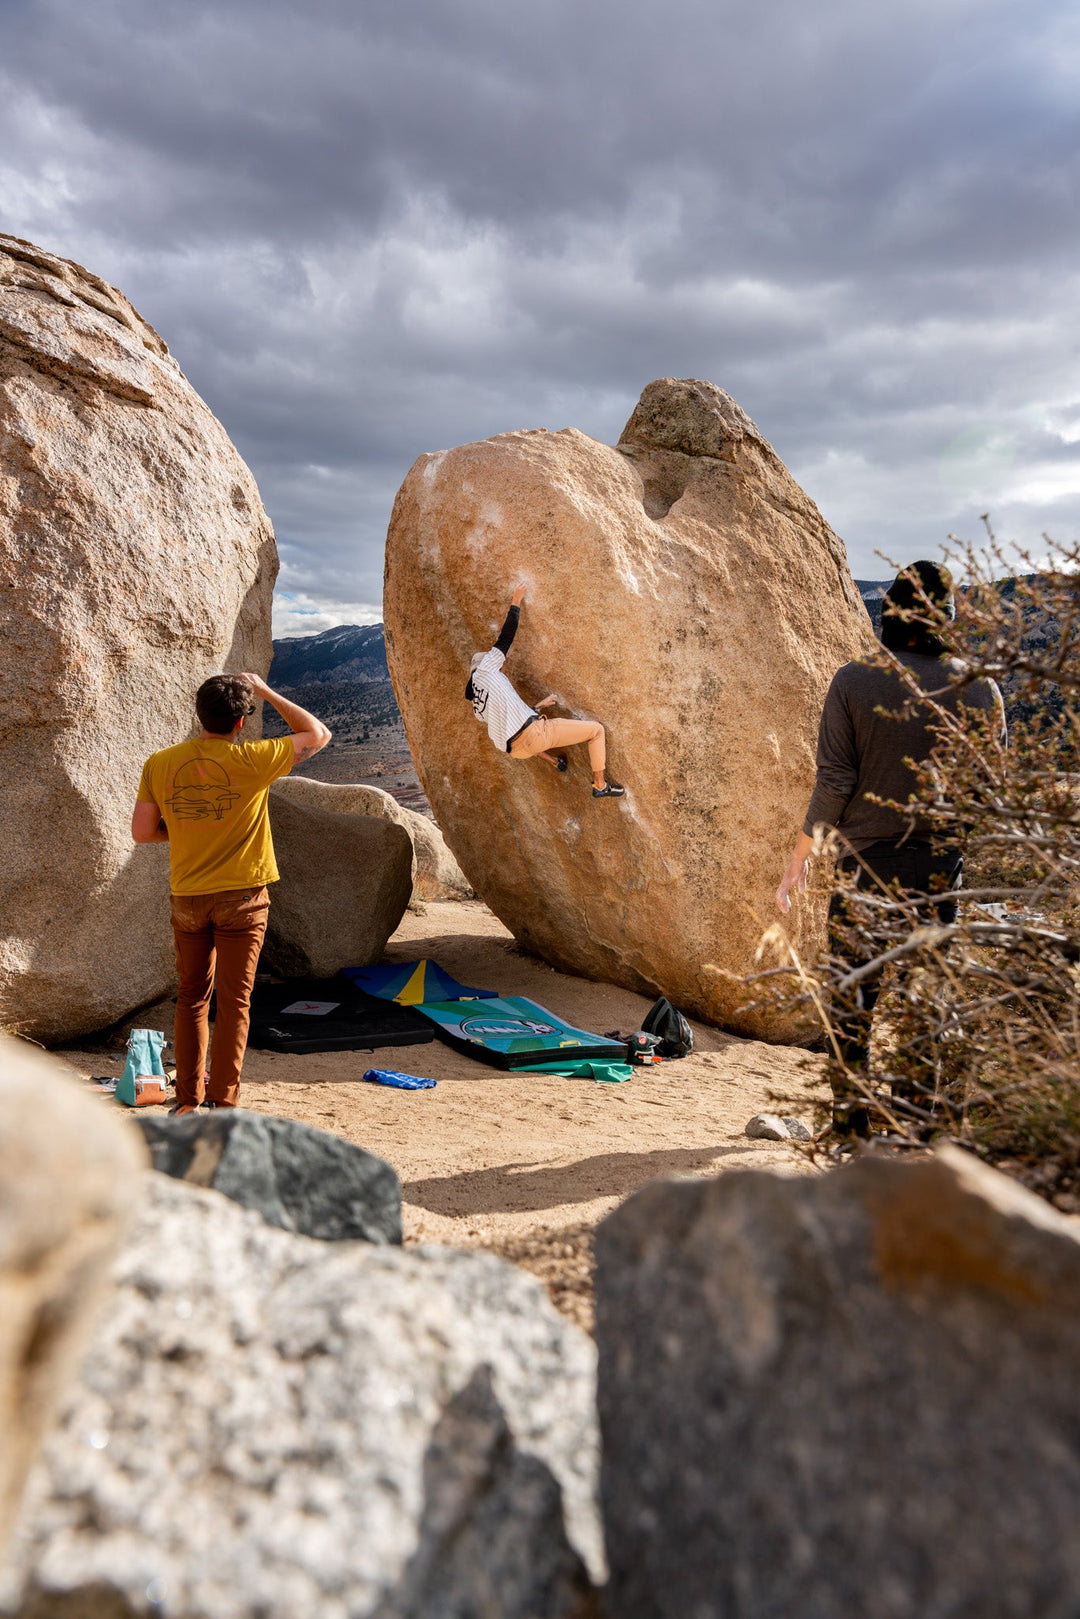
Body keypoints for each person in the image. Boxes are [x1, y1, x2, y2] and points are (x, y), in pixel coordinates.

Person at [776, 561, 1005, 1137]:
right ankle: (918, 1124)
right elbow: (988, 790)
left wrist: (799, 857)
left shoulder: (854, 680)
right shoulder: (980, 688)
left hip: (867, 867)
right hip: (939, 869)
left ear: (888, 614)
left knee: (853, 998)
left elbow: (835, 782)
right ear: (947, 618)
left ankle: (852, 1126)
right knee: (927, 1002)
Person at [132, 672, 331, 1114]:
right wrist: (265, 691)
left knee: (191, 999)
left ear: (199, 714)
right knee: (235, 1002)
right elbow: (317, 733)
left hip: (188, 898)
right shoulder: (255, 760)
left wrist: (188, 829)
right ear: (241, 722)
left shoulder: (161, 763)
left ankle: (187, 1101)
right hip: (242, 898)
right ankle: (223, 1104)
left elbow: (143, 833)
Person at [466, 583, 625, 797]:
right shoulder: (485, 670)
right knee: (596, 730)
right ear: (483, 664)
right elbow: (505, 639)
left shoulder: (478, 706)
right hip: (534, 736)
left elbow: (511, 719)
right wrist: (516, 600)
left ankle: (552, 760)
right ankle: (600, 785)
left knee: (526, 736)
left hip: (517, 750)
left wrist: (540, 704)